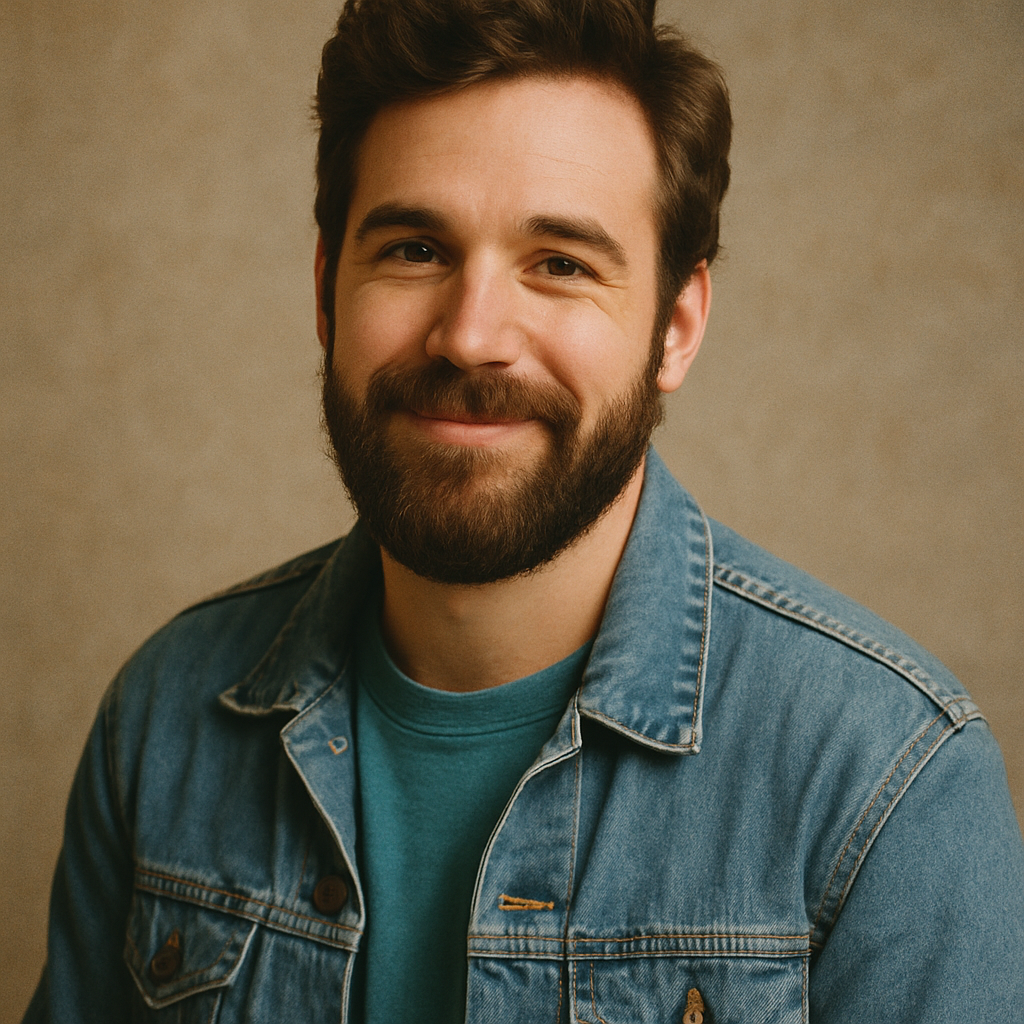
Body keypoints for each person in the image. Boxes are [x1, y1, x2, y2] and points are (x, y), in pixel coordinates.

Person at [24, 0, 1024, 1021]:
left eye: (560, 264)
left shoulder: (886, 782)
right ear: (328, 290)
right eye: (415, 248)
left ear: (674, 326)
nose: (469, 336)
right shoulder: (163, 718)